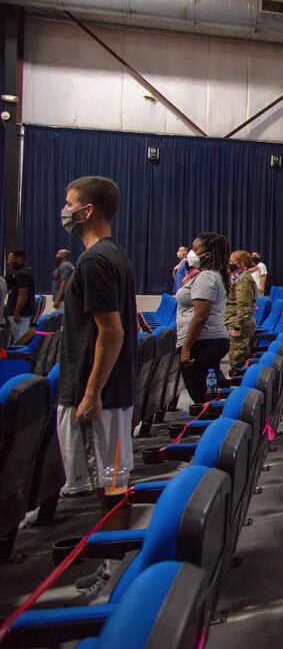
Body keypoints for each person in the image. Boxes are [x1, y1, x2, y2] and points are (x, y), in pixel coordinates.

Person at [55, 176, 139, 575]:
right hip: (113, 393)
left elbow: (112, 331)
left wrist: (90, 393)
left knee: (108, 487)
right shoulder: (114, 255)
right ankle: (113, 567)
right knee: (114, 485)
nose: (65, 210)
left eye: (69, 204)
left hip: (100, 396)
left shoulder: (94, 261)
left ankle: (112, 570)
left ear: (88, 211)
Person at [176, 232, 231, 405]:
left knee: (201, 398)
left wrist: (186, 348)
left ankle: (211, 430)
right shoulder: (211, 275)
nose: (190, 254)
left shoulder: (206, 277)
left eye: (195, 249)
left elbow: (200, 316)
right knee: (206, 396)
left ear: (207, 254)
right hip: (208, 341)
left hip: (202, 343)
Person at [225, 250, 257, 372]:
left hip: (240, 325)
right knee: (235, 357)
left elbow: (243, 305)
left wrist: (237, 327)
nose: (229, 264)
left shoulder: (243, 279)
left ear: (241, 264)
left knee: (237, 360)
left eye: (232, 262)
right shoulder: (238, 277)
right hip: (234, 321)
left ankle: (238, 386)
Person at [5, 250, 36, 343]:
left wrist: (16, 312)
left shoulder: (21, 274)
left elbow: (23, 294)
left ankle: (15, 357)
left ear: (19, 259)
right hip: (21, 313)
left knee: (21, 341)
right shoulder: (23, 271)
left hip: (20, 314)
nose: (8, 261)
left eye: (10, 259)